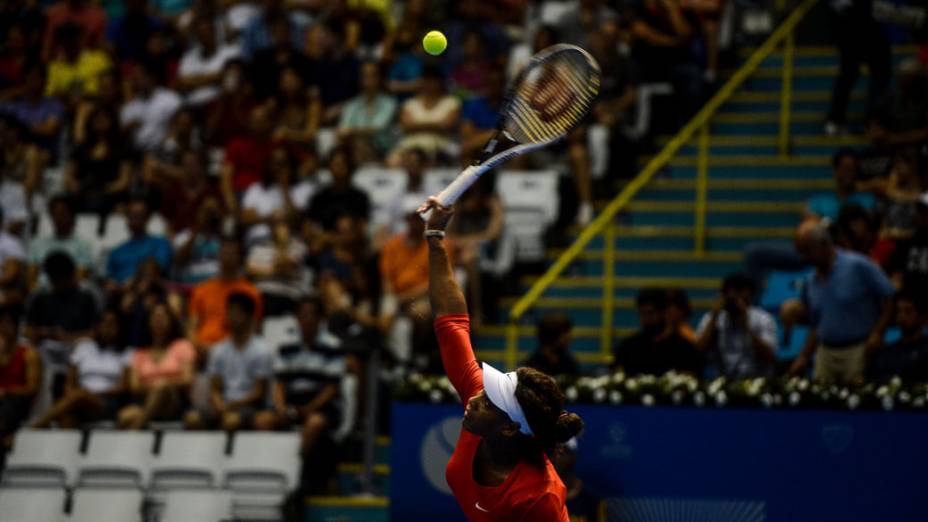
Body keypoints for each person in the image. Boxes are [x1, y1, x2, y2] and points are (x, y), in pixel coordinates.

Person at [420, 196, 582, 521]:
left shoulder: (540, 496)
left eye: (487, 400)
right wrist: (436, 239)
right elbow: (453, 322)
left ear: (508, 429)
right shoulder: (482, 405)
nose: (476, 396)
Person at [254, 296, 346, 492]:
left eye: (311, 315)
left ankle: (296, 475)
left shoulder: (333, 345)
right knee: (263, 420)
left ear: (320, 319)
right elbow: (279, 383)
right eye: (302, 315)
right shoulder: (286, 345)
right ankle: (269, 475)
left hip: (322, 403)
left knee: (314, 423)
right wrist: (280, 408)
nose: (306, 320)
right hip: (293, 400)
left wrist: (309, 409)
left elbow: (332, 388)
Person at [786, 221, 895, 384]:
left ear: (823, 244)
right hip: (825, 353)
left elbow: (890, 297)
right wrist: (803, 357)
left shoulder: (858, 265)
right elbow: (817, 324)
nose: (804, 258)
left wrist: (878, 333)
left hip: (858, 350)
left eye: (806, 251)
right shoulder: (811, 280)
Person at [186, 292, 273, 432]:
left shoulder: (262, 350)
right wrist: (219, 403)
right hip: (223, 404)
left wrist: (231, 405)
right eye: (229, 311)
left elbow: (258, 393)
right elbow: (214, 388)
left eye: (236, 312)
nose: (231, 316)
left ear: (249, 317)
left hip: (248, 406)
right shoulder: (218, 350)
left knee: (231, 421)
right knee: (192, 419)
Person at [31, 308, 129, 428]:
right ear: (97, 326)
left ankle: (37, 425)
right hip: (79, 400)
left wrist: (91, 393)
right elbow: (69, 384)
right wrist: (79, 394)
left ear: (119, 328)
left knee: (79, 396)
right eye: (104, 323)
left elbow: (124, 386)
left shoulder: (125, 353)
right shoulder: (83, 347)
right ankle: (63, 445)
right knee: (67, 416)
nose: (107, 329)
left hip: (107, 402)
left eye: (112, 324)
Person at [119, 301, 195, 429]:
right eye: (155, 317)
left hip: (175, 402)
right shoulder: (140, 353)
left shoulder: (182, 346)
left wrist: (162, 385)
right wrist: (157, 387)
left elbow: (187, 380)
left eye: (163, 316)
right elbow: (134, 386)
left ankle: (135, 430)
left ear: (171, 321)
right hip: (145, 402)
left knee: (161, 387)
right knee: (125, 416)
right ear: (148, 322)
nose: (159, 320)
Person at [824, 0, 891, 136]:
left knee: (880, 74)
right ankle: (836, 119)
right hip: (850, 30)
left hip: (868, 29)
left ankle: (872, 121)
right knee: (848, 75)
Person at [695, 273, 778, 379]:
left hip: (756, 380)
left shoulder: (763, 319)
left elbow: (770, 357)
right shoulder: (713, 318)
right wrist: (713, 318)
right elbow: (698, 351)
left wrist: (746, 328)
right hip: (724, 381)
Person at [188, 236, 262, 353]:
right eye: (224, 252)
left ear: (240, 258)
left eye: (232, 253)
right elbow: (192, 327)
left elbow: (253, 329)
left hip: (236, 350)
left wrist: (225, 351)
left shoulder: (250, 291)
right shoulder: (202, 289)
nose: (227, 257)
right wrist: (198, 346)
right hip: (202, 350)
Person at [612, 288, 702, 376]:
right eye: (642, 314)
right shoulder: (629, 348)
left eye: (651, 313)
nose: (646, 319)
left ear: (664, 313)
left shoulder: (684, 350)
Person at [105, 198, 173, 286]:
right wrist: (111, 285)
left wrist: (134, 281)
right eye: (131, 216)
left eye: (139, 215)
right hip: (119, 293)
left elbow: (157, 269)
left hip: (151, 291)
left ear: (147, 218)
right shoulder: (116, 251)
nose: (135, 219)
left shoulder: (160, 244)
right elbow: (108, 278)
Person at [27, 195, 94, 284]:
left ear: (72, 216)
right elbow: (31, 277)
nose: (58, 218)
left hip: (69, 293)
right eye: (55, 214)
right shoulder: (37, 244)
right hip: (41, 293)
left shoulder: (83, 245)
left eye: (63, 214)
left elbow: (80, 277)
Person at [868, 289, 928, 382]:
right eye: (898, 311)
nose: (901, 316)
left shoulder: (925, 350)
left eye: (907, 311)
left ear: (923, 317)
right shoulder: (885, 351)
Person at [305, 146, 371, 231]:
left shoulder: (359, 197)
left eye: (342, 165)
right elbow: (307, 227)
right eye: (335, 165)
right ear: (329, 167)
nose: (338, 169)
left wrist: (329, 239)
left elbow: (361, 231)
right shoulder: (319, 198)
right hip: (322, 241)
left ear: (349, 167)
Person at [0, 305, 41, 440]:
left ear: (17, 327)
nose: (3, 327)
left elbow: (32, 388)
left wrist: (6, 391)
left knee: (8, 406)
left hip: (16, 402)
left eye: (7, 323)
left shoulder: (29, 354)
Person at [119, 64, 182, 153]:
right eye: (134, 78)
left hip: (163, 150)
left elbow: (179, 127)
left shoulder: (171, 99)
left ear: (150, 77)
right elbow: (121, 135)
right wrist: (127, 129)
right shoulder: (129, 107)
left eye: (138, 77)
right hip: (136, 152)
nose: (135, 81)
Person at [888, 193, 928, 296]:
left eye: (926, 212)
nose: (923, 216)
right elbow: (895, 272)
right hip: (909, 303)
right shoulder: (908, 242)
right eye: (921, 212)